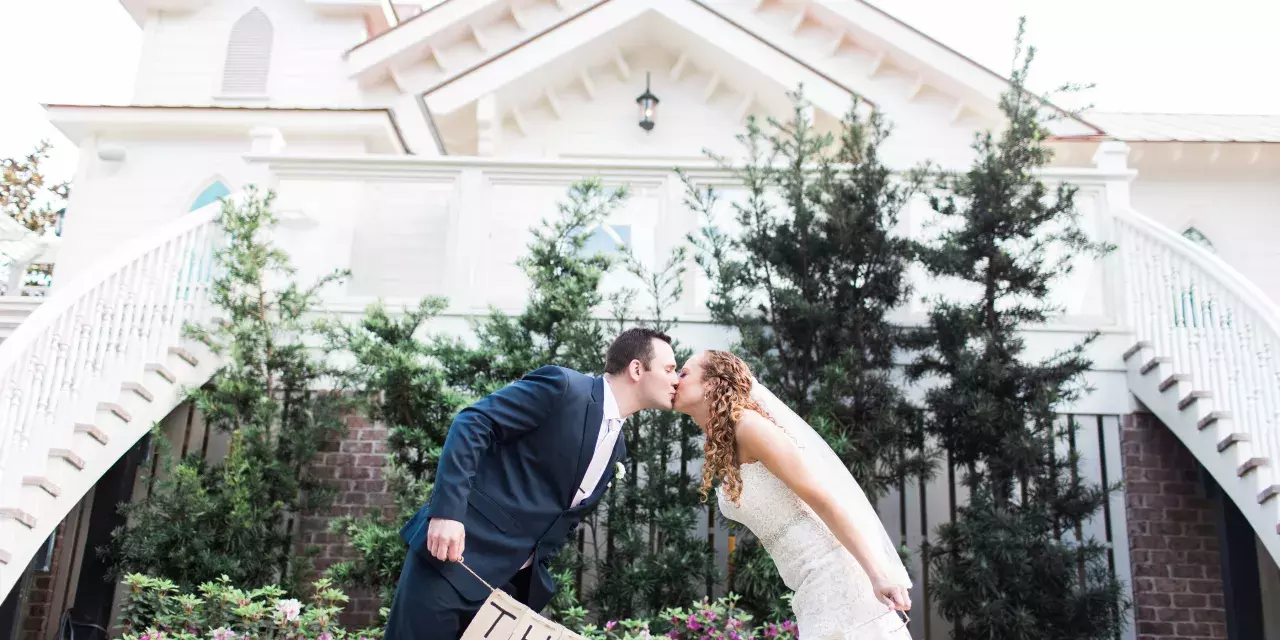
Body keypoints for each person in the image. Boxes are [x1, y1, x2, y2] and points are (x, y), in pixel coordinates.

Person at [384, 328, 680, 640]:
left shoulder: (617, 447)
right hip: (453, 562)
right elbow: (472, 423)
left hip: (505, 596)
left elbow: (560, 517)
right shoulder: (564, 388)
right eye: (670, 369)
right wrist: (448, 513)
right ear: (637, 369)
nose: (676, 379)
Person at [674, 350, 913, 639]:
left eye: (684, 373)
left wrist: (878, 575)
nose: (675, 380)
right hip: (808, 580)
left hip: (833, 572)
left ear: (712, 383)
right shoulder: (725, 440)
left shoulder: (750, 428)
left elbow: (823, 499)